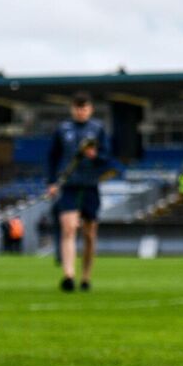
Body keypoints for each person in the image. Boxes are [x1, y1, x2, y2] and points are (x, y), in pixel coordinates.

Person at [45, 93, 113, 292]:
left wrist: (95, 155)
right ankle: (68, 275)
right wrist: (51, 182)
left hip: (90, 186)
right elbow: (52, 157)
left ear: (90, 109)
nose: (80, 111)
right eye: (77, 107)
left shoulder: (98, 129)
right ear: (72, 109)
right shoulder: (62, 129)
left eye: (84, 108)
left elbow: (107, 156)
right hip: (69, 186)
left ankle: (85, 277)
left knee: (89, 234)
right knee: (68, 228)